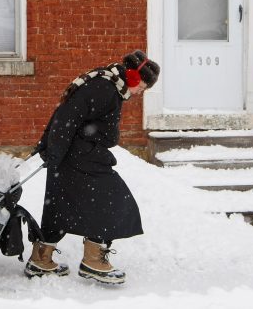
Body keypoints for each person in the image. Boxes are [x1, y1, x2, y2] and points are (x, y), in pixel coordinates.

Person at [26, 50, 160, 285]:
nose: (141, 93)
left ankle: (41, 259)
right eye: (143, 87)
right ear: (133, 78)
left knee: (60, 204)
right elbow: (65, 118)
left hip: (78, 155)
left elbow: (64, 113)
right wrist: (54, 153)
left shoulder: (109, 84)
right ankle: (93, 261)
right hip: (80, 157)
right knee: (111, 200)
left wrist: (54, 152)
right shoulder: (103, 88)